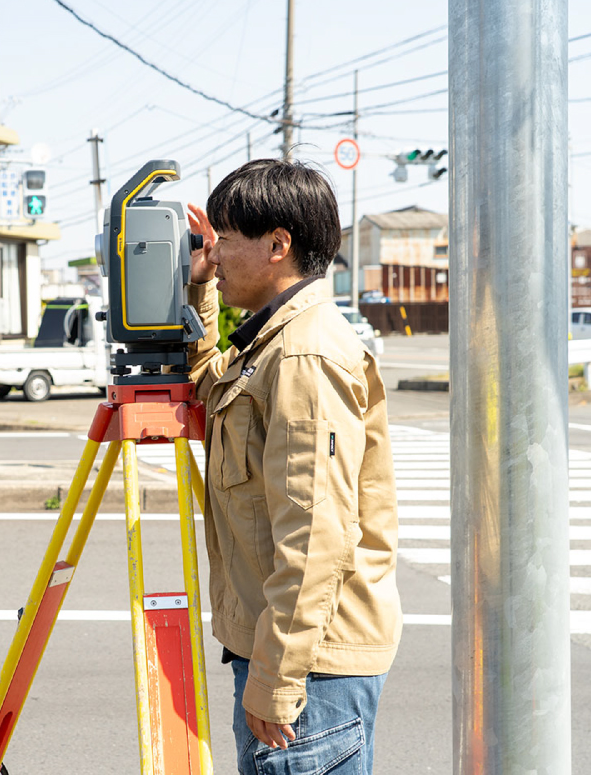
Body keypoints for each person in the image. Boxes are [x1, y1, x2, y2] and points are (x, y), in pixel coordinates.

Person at [183, 159, 401, 775]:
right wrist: (198, 291)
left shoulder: (303, 355)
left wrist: (278, 677)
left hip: (310, 666)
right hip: (286, 649)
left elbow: (315, 536)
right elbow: (211, 392)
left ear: (278, 245)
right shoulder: (273, 342)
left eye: (225, 238)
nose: (215, 254)